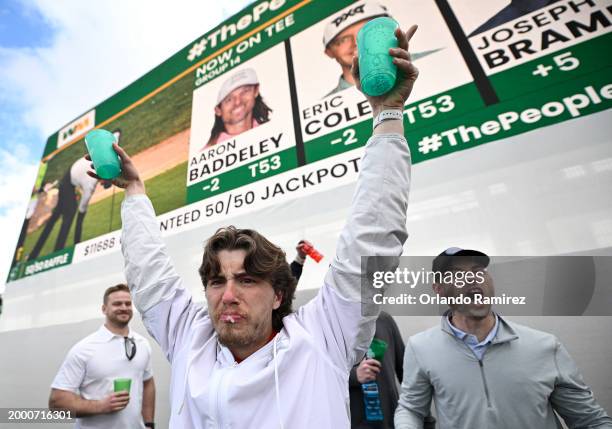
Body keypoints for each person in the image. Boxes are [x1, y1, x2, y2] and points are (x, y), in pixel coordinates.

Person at [88, 24, 418, 428]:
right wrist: (135, 192)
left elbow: (374, 236)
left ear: (278, 295)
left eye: (246, 281)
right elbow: (148, 274)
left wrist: (387, 116)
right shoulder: (190, 338)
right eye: (216, 282)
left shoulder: (323, 338)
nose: (227, 295)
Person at [395, 247, 612, 428]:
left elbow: (590, 420)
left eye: (479, 270)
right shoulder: (421, 347)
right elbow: (411, 408)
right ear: (439, 289)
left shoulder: (544, 346)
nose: (472, 278)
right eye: (458, 274)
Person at [49, 284, 156, 429]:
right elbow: (57, 403)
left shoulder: (143, 344)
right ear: (104, 309)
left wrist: (149, 423)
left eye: (128, 304)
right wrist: (101, 406)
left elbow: (148, 382)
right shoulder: (84, 349)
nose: (124, 307)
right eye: (117, 303)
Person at [323, 1, 438, 97]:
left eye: (370, 32)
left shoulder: (437, 59)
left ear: (392, 31)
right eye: (343, 40)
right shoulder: (326, 103)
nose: (358, 43)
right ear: (329, 52)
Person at [29, 157, 108, 259]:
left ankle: (33, 255)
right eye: (103, 182)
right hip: (68, 183)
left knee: (54, 218)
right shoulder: (91, 184)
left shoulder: (98, 163)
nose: (101, 184)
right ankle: (57, 254)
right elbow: (82, 209)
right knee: (70, 214)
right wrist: (78, 242)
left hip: (67, 179)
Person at [204, 68, 272, 149]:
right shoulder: (210, 150)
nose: (238, 102)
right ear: (218, 110)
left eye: (244, 92)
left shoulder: (270, 131)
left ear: (256, 90)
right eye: (228, 99)